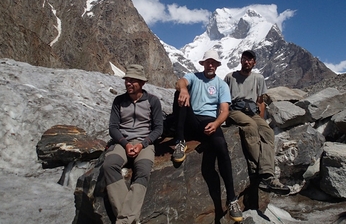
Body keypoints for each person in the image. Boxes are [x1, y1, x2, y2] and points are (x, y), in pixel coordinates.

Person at [171, 50, 243, 222]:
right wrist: (183, 89)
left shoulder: (221, 85)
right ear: (203, 63)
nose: (210, 65)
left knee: (222, 148)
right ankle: (180, 141)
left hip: (209, 122)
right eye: (208, 62)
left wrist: (217, 124)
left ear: (217, 65)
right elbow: (180, 81)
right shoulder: (194, 77)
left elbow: (225, 110)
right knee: (179, 94)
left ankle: (232, 199)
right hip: (191, 118)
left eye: (214, 63)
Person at [103, 64, 163, 224]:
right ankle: (129, 219)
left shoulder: (153, 101)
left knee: (143, 170)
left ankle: (124, 220)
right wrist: (126, 144)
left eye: (133, 81)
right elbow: (113, 128)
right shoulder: (119, 101)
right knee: (109, 165)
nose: (128, 83)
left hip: (145, 144)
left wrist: (143, 144)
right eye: (127, 80)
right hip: (122, 142)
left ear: (142, 83)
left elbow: (158, 128)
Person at [224, 50, 290, 193]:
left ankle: (267, 174)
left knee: (267, 131)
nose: (246, 61)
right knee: (250, 126)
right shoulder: (230, 77)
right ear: (240, 61)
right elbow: (223, 98)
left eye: (250, 59)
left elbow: (260, 101)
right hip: (234, 110)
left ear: (254, 62)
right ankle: (262, 170)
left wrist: (261, 119)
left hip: (251, 111)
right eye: (244, 59)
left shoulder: (258, 78)